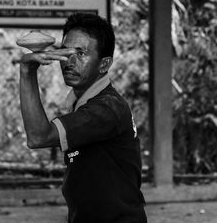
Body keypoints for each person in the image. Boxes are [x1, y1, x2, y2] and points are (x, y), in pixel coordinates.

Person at [19, 13, 147, 223]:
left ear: (104, 64)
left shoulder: (106, 109)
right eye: (67, 51)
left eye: (81, 53)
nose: (70, 61)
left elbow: (38, 137)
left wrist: (27, 72)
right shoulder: (84, 102)